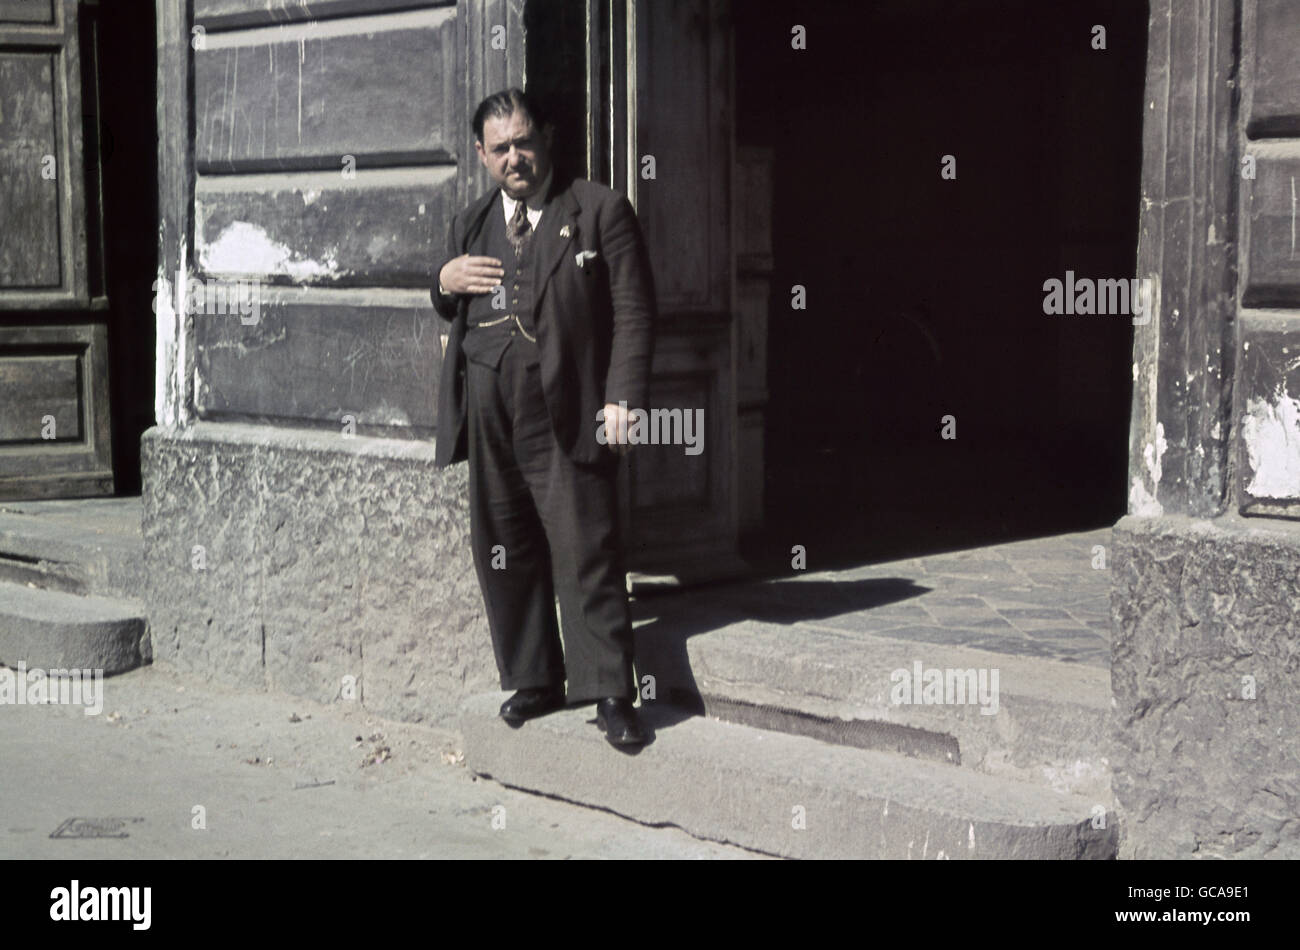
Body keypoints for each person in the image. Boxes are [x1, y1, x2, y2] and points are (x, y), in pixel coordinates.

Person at [431, 88, 655, 747]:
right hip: (489, 403)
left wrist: (622, 400)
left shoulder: (597, 211)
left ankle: (610, 689)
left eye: (524, 142)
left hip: (568, 402)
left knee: (585, 544)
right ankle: (534, 677)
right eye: (500, 148)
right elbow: (452, 304)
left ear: (546, 138)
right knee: (504, 543)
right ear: (481, 155)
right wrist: (441, 283)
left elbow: (637, 313)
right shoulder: (473, 223)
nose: (515, 158)